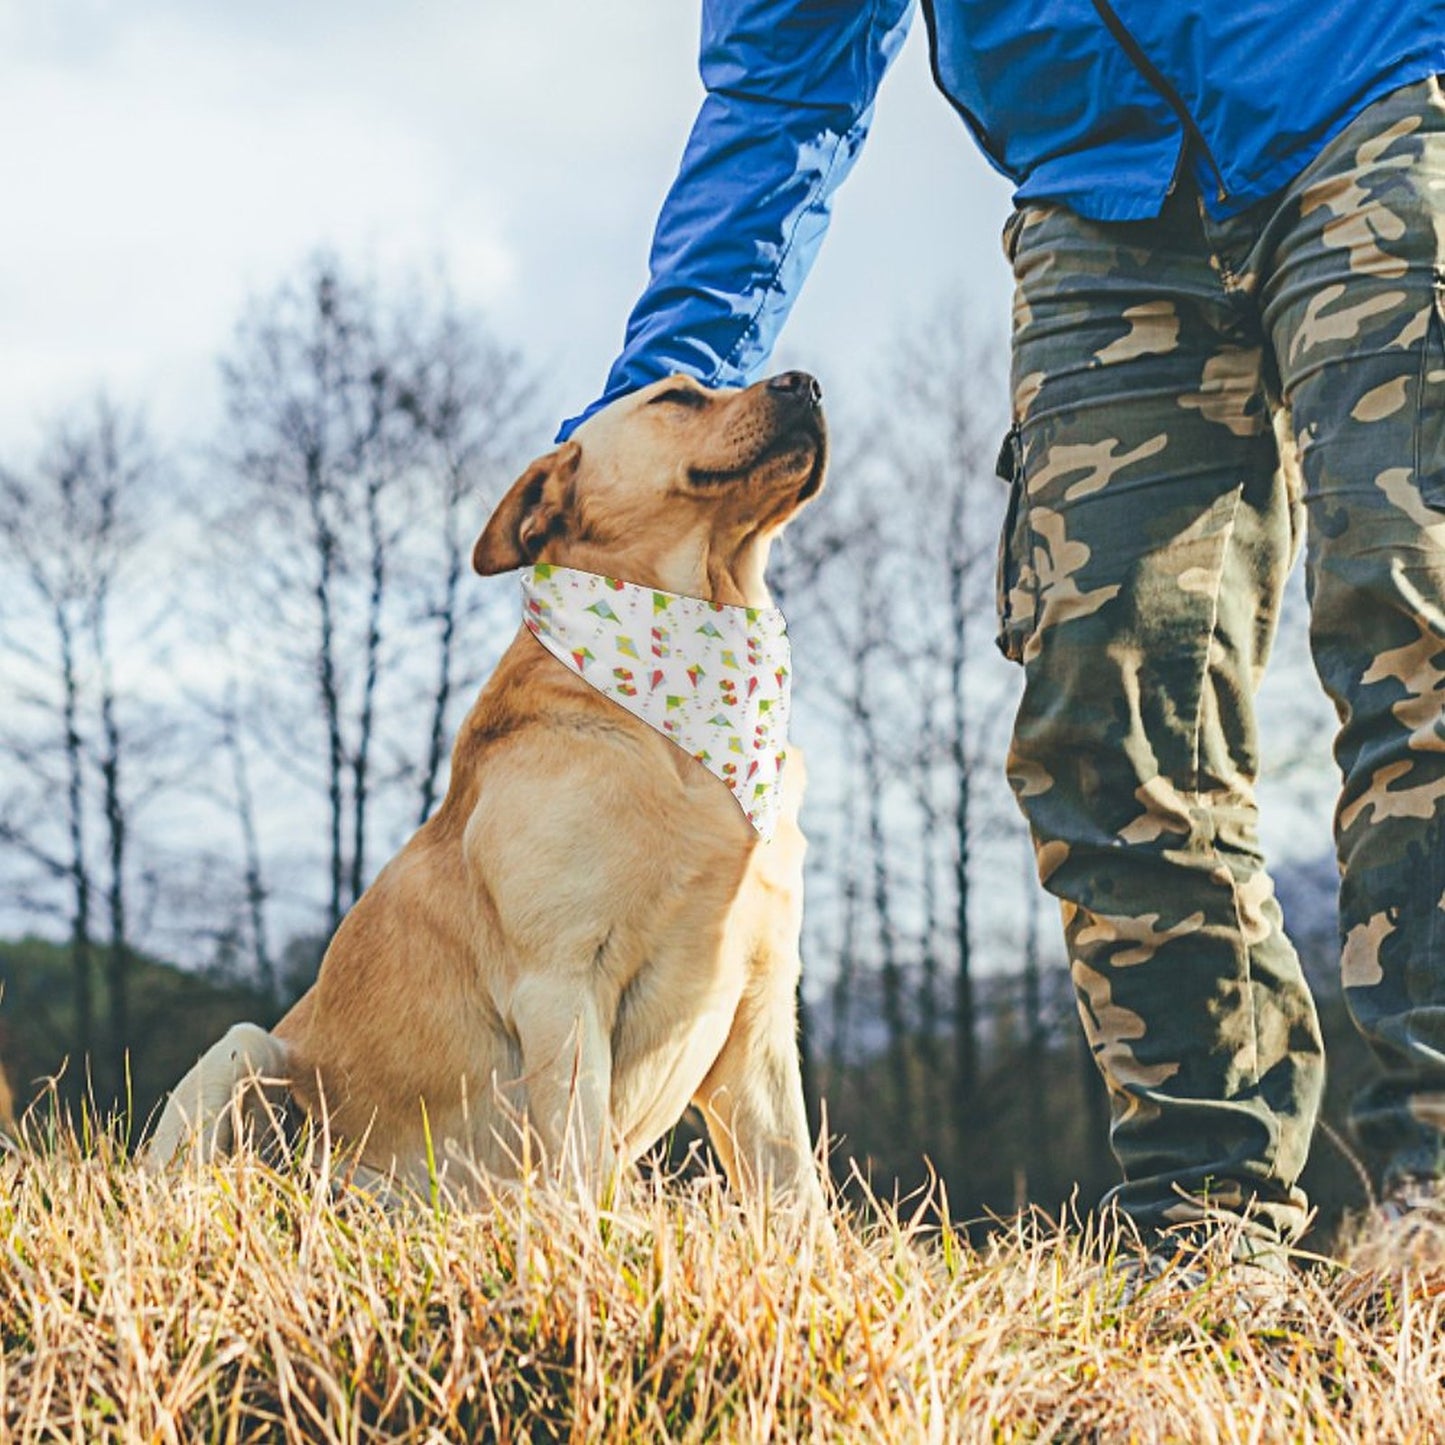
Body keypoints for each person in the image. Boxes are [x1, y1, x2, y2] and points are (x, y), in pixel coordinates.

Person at [559, 0, 1445, 1263]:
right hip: (1099, 196)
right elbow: (781, 88)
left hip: (1372, 84)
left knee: (1414, 624)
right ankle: (1205, 1229)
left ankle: (1433, 1202)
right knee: (1105, 717)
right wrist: (648, 420)